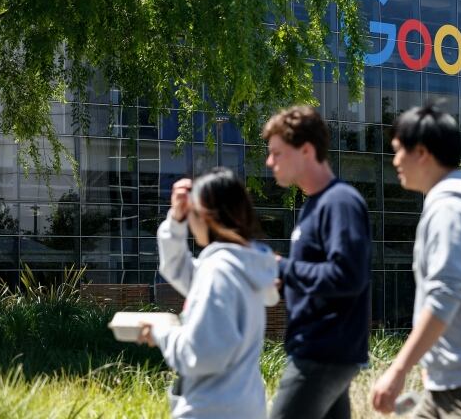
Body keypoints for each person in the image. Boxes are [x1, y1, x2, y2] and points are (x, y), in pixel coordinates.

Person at [371, 105, 461, 418]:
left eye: (398, 151)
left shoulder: (450, 211)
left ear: (422, 152)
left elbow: (445, 296)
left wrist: (396, 372)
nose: (395, 161)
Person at [137, 167, 279, 419]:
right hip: (244, 406)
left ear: (205, 215)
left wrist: (161, 333)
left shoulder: (218, 271)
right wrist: (176, 220)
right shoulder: (244, 265)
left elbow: (200, 354)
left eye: (191, 212)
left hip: (211, 409)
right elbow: (179, 268)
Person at [263, 105, 371, 419]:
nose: (270, 162)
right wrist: (282, 281)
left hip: (322, 353)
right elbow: (317, 278)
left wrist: (282, 267)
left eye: (277, 153)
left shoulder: (340, 202)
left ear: (306, 150)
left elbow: (347, 275)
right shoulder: (314, 205)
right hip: (322, 351)